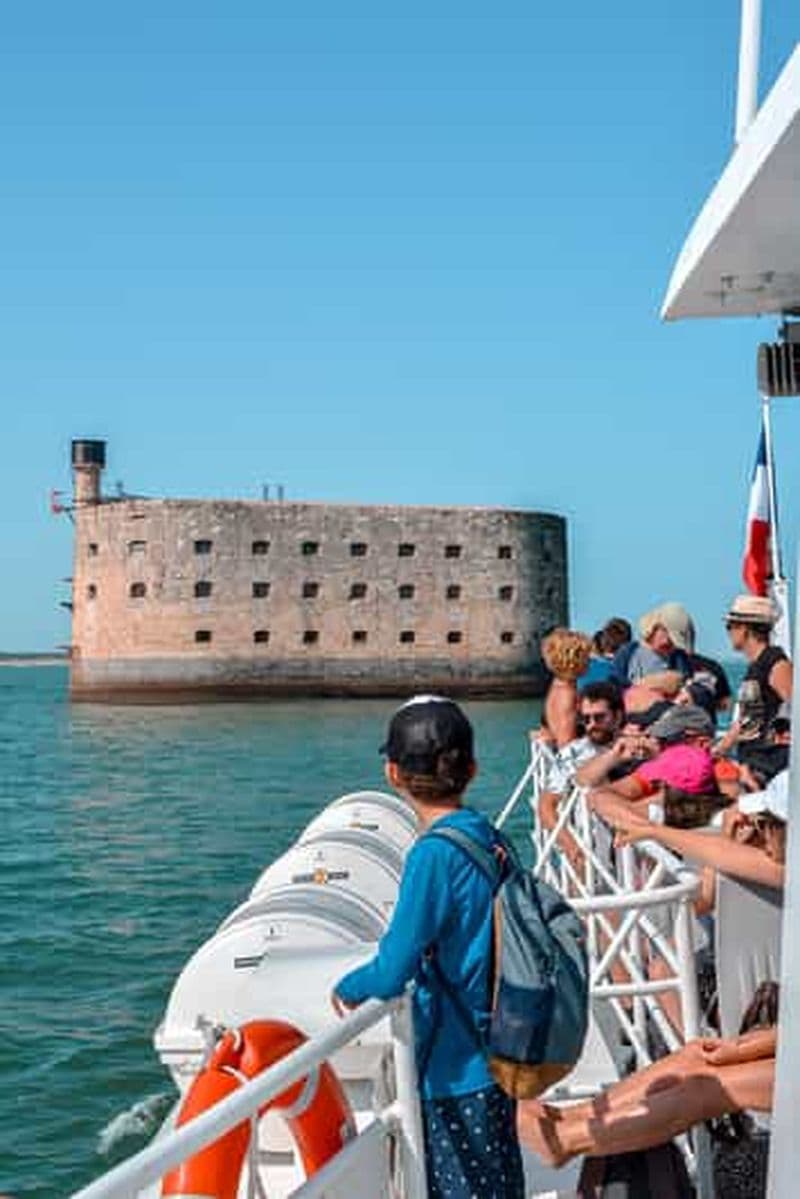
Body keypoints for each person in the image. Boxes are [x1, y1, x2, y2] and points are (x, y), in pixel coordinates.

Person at [332, 695, 525, 1199]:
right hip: (503, 1045)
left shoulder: (433, 855)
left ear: (393, 774)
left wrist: (348, 987)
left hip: (456, 1061)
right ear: (473, 769)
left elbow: (394, 965)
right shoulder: (489, 835)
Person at [722, 594, 793, 762]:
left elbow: (794, 704)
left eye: (730, 626)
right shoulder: (756, 666)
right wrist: (719, 748)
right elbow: (745, 720)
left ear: (744, 629)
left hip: (768, 762)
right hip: (752, 758)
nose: (729, 632)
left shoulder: (775, 663)